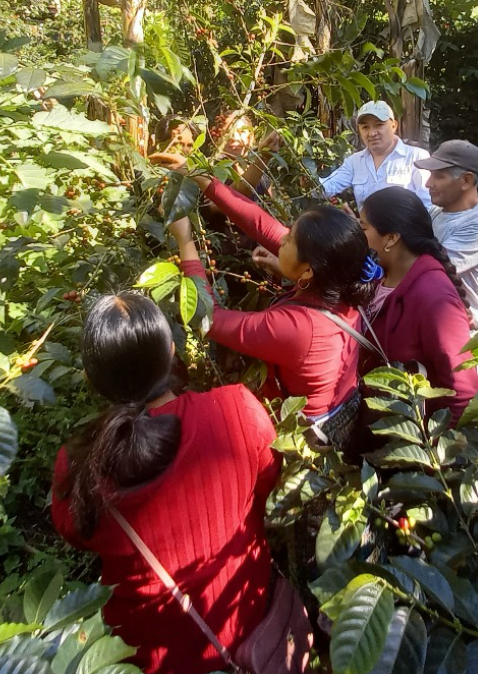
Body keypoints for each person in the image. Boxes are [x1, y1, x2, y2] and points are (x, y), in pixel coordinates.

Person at [51, 292, 281, 674]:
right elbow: (269, 480)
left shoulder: (76, 466)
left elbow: (76, 532)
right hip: (246, 611)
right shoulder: (238, 410)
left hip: (151, 659)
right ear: (172, 350)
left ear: (91, 379)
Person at [154, 157, 380, 448]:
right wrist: (198, 174)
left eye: (289, 240)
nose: (281, 239)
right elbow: (258, 222)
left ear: (308, 270)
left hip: (311, 435)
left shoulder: (299, 328)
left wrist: (185, 240)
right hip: (340, 403)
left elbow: (208, 319)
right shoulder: (343, 278)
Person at [359, 186, 478, 423]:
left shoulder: (434, 299)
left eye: (363, 228)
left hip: (411, 432)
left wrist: (437, 442)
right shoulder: (384, 276)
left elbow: (462, 392)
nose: (358, 236)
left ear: (391, 238)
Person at [319, 101, 431, 211]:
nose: (372, 133)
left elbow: (428, 206)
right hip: (366, 224)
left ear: (393, 126)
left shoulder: (416, 157)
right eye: (365, 127)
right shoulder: (354, 162)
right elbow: (325, 188)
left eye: (379, 125)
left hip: (407, 224)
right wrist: (308, 178)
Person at [414, 139, 478, 323]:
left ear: (466, 180)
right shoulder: (435, 212)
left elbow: (431, 270)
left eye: (439, 176)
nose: (428, 184)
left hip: (463, 328)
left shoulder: (474, 226)